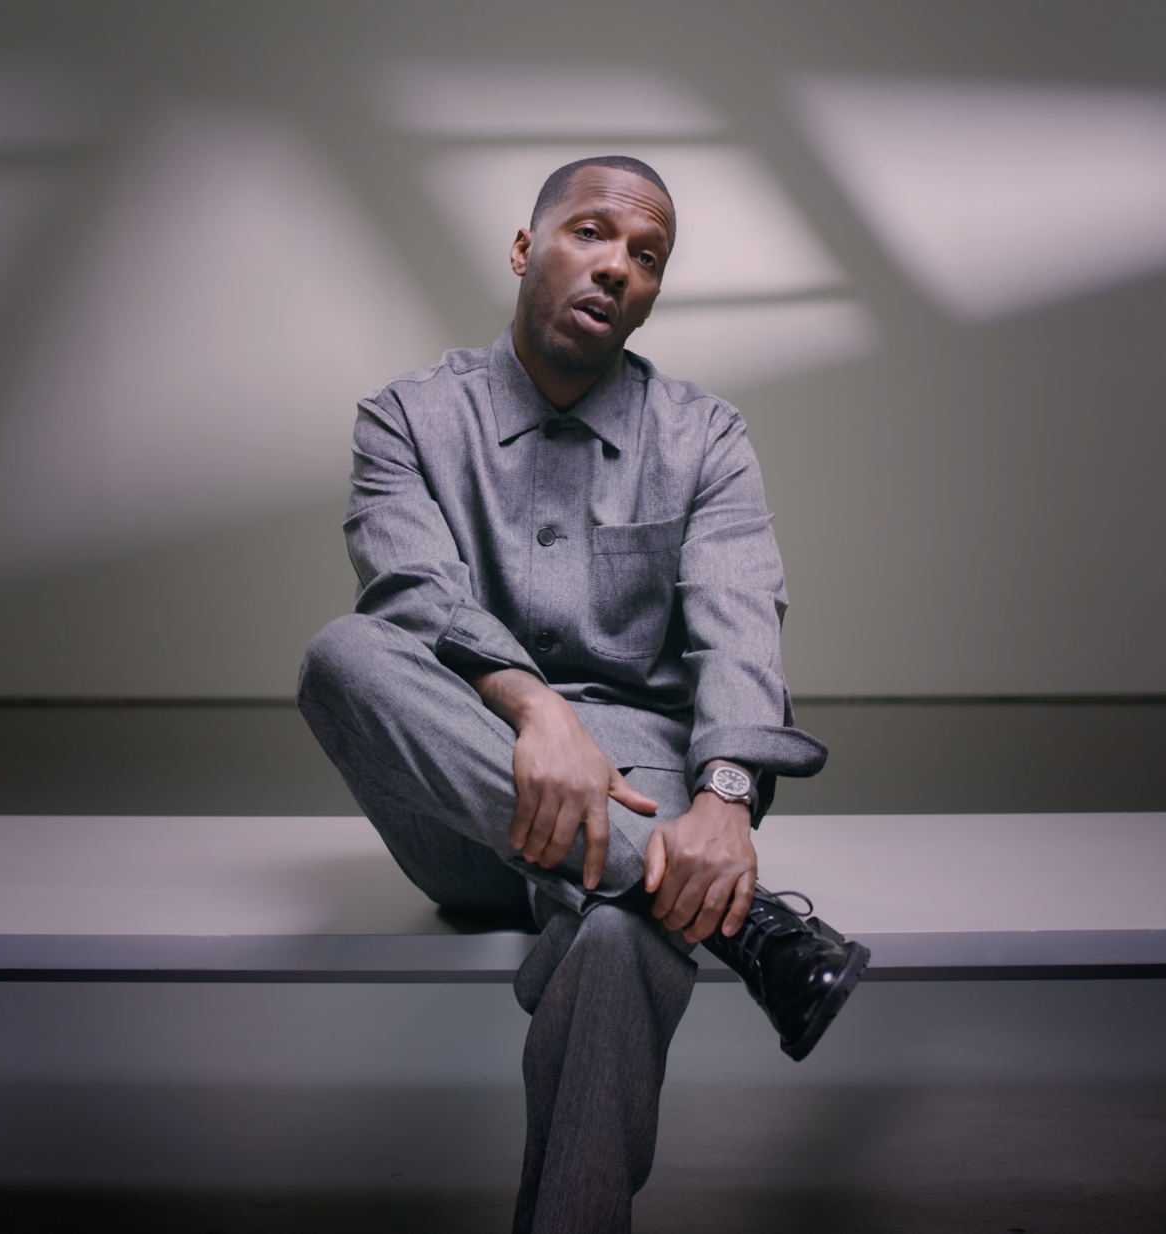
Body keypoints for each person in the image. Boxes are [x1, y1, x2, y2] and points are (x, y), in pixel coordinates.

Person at [297, 154, 869, 1234]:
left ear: (652, 293)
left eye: (646, 256)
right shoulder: (407, 417)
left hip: (644, 782)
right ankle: (741, 927)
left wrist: (726, 799)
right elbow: (411, 591)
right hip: (471, 806)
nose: (616, 266)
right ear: (525, 249)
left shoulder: (703, 436)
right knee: (342, 655)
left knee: (617, 939)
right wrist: (535, 709)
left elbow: (739, 620)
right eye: (591, 233)